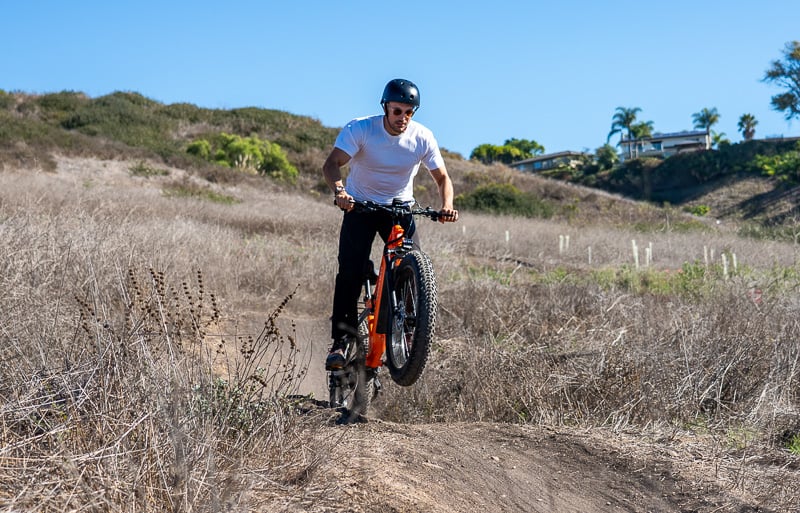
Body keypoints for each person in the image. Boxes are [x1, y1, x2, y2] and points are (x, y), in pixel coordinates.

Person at [322, 78, 459, 370]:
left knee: (413, 267)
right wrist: (340, 193)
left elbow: (443, 178)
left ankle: (409, 335)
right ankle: (342, 342)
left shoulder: (422, 137)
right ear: (385, 107)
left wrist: (447, 205)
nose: (403, 118)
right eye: (397, 111)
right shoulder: (361, 129)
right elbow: (331, 164)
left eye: (409, 112)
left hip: (399, 209)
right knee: (349, 272)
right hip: (360, 206)